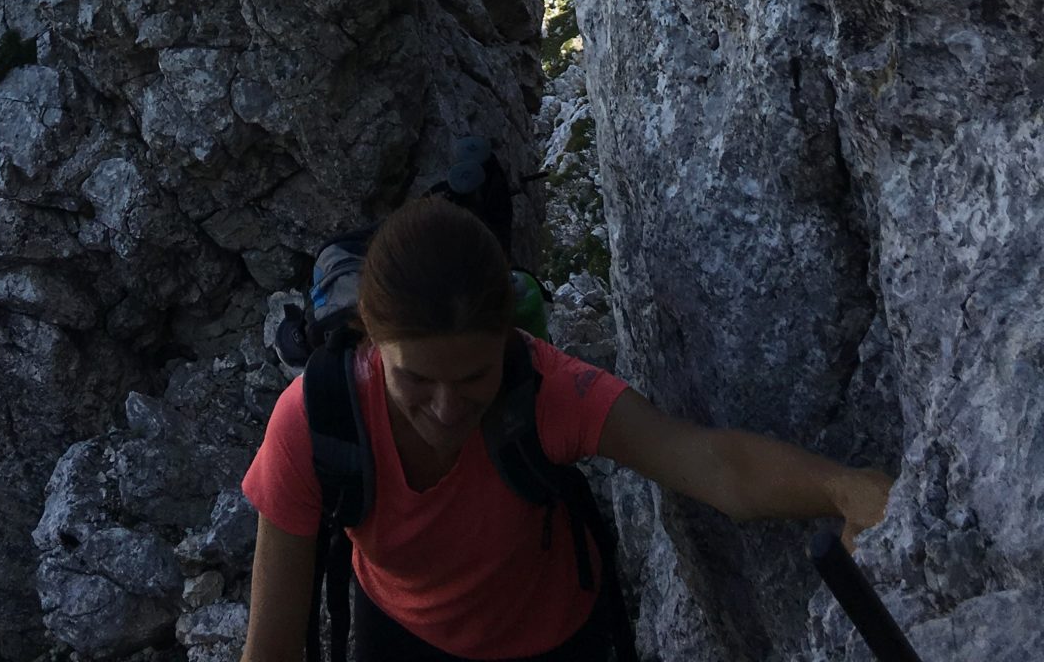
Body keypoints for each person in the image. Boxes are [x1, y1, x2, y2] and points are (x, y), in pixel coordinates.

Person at [241, 196, 893, 662]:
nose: (445, 408)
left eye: (472, 378)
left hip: (554, 640)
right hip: (397, 632)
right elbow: (270, 645)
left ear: (508, 339)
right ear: (371, 341)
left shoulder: (546, 389)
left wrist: (844, 489)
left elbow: (715, 465)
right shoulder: (313, 422)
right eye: (416, 380)